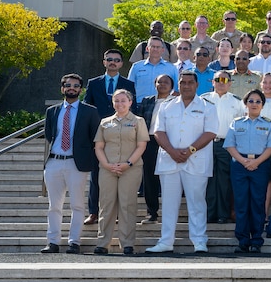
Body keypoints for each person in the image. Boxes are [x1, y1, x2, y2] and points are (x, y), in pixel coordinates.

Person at [146, 71, 219, 254]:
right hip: (169, 160)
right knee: (169, 204)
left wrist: (190, 150)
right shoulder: (166, 106)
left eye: (190, 82)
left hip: (196, 161)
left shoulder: (207, 106)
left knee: (197, 203)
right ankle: (166, 242)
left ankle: (199, 241)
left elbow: (210, 132)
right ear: (178, 84)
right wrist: (172, 151)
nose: (186, 86)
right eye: (183, 82)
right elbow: (158, 132)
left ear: (197, 85)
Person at [41, 74, 101, 254]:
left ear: (81, 90)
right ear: (62, 89)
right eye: (68, 85)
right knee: (54, 205)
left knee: (77, 205)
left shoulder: (90, 111)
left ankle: (74, 242)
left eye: (75, 86)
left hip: (77, 164)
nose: (71, 88)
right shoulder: (52, 111)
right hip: (54, 162)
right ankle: (53, 242)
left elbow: (95, 137)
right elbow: (49, 133)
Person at [82, 49, 137, 227]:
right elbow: (87, 108)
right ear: (104, 62)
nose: (113, 62)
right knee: (97, 175)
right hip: (98, 135)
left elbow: (132, 109)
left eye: (116, 60)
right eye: (109, 59)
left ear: (121, 64)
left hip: (121, 135)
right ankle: (94, 212)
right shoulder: (93, 83)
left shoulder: (128, 84)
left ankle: (119, 212)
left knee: (120, 175)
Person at [92, 88, 148, 255]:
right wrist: (107, 164)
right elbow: (99, 146)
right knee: (106, 205)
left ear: (130, 102)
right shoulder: (105, 122)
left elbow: (141, 145)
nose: (120, 103)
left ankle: (127, 243)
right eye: (117, 100)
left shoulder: (138, 121)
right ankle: (103, 243)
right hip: (107, 169)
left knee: (127, 205)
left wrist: (128, 163)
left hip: (130, 169)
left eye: (123, 100)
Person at [223, 89, 271, 254]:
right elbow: (229, 145)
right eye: (251, 101)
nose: (254, 104)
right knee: (241, 204)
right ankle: (243, 241)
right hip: (240, 165)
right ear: (245, 104)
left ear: (262, 105)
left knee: (257, 204)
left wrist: (256, 162)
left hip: (260, 165)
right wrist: (244, 161)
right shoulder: (236, 123)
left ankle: (256, 241)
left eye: (258, 101)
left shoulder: (269, 123)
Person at [202, 71, 245, 224]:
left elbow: (241, 126)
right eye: (218, 79)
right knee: (208, 179)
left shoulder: (237, 102)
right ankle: (209, 213)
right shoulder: (203, 100)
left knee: (224, 181)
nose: (221, 82)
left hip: (226, 145)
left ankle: (223, 214)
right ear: (212, 82)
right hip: (205, 144)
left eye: (225, 80)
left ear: (230, 83)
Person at [138, 74, 175, 225]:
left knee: (168, 179)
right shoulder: (148, 101)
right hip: (150, 141)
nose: (163, 84)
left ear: (172, 86)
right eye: (160, 81)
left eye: (166, 82)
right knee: (149, 178)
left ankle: (169, 213)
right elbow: (140, 122)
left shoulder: (176, 102)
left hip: (169, 142)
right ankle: (151, 212)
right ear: (155, 84)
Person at [128, 37, 178, 103]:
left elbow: (177, 90)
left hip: (163, 105)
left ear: (163, 50)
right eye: (153, 46)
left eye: (158, 47)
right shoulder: (136, 67)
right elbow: (128, 88)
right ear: (147, 49)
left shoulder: (171, 68)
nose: (155, 49)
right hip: (140, 105)